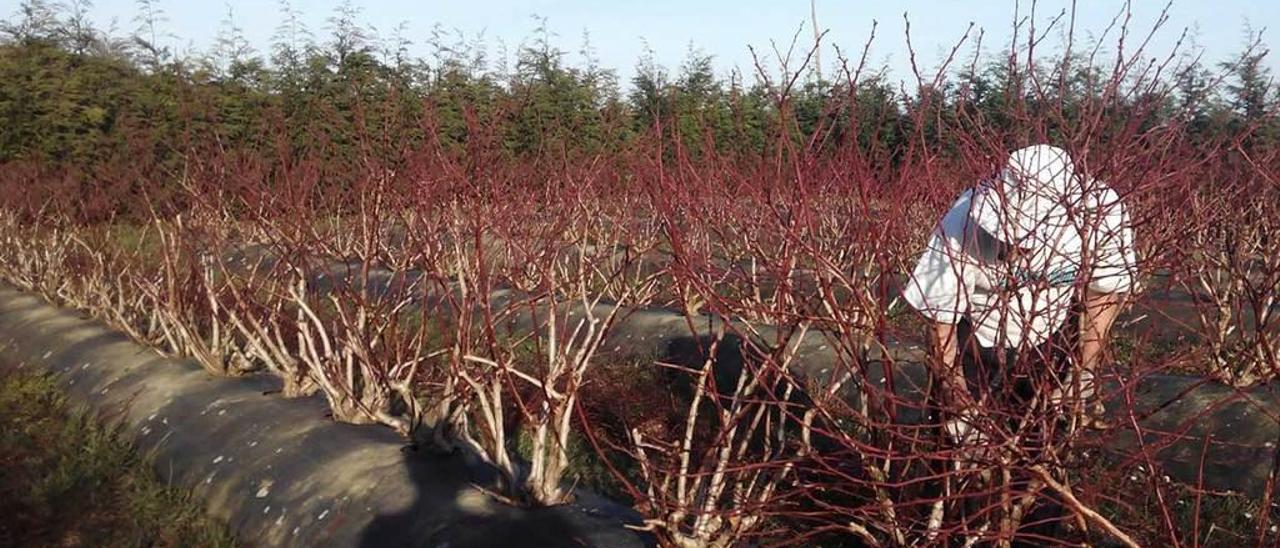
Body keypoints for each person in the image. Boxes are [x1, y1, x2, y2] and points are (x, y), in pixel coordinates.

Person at [901, 144, 1137, 445]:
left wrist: (1085, 371)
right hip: (972, 338)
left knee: (1038, 441)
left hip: (1051, 334)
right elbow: (941, 316)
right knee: (953, 446)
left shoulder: (1101, 213)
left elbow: (1103, 293)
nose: (1019, 246)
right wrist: (956, 391)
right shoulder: (962, 219)